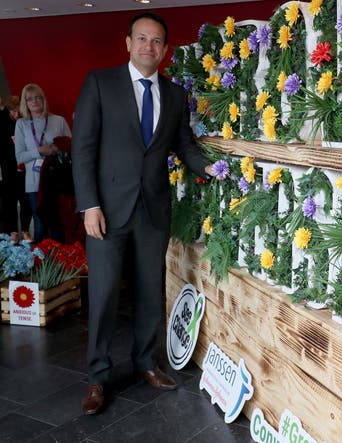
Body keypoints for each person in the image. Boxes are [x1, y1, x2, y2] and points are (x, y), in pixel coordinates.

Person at [72, 12, 216, 416]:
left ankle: (145, 362)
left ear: (165, 50)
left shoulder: (174, 95)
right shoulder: (100, 84)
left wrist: (205, 167)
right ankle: (98, 376)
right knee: (102, 296)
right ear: (128, 43)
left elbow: (183, 144)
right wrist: (90, 206)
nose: (148, 46)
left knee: (150, 292)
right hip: (107, 213)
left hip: (152, 211)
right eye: (141, 38)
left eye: (156, 41)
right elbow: (83, 150)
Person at [14, 84, 71, 243]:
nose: (35, 101)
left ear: (44, 99)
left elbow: (71, 148)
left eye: (38, 97)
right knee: (40, 225)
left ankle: (63, 264)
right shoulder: (21, 124)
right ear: (25, 103)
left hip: (57, 182)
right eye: (30, 99)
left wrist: (57, 149)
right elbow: (19, 157)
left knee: (59, 225)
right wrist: (40, 151)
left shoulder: (58, 120)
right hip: (34, 183)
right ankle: (43, 266)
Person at [0, 95, 32, 240]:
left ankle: (25, 229)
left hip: (25, 166)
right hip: (7, 165)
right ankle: (12, 231)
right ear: (8, 111)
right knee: (9, 199)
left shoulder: (26, 122)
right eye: (13, 111)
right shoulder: (3, 121)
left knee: (25, 199)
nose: (16, 114)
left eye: (18, 111)